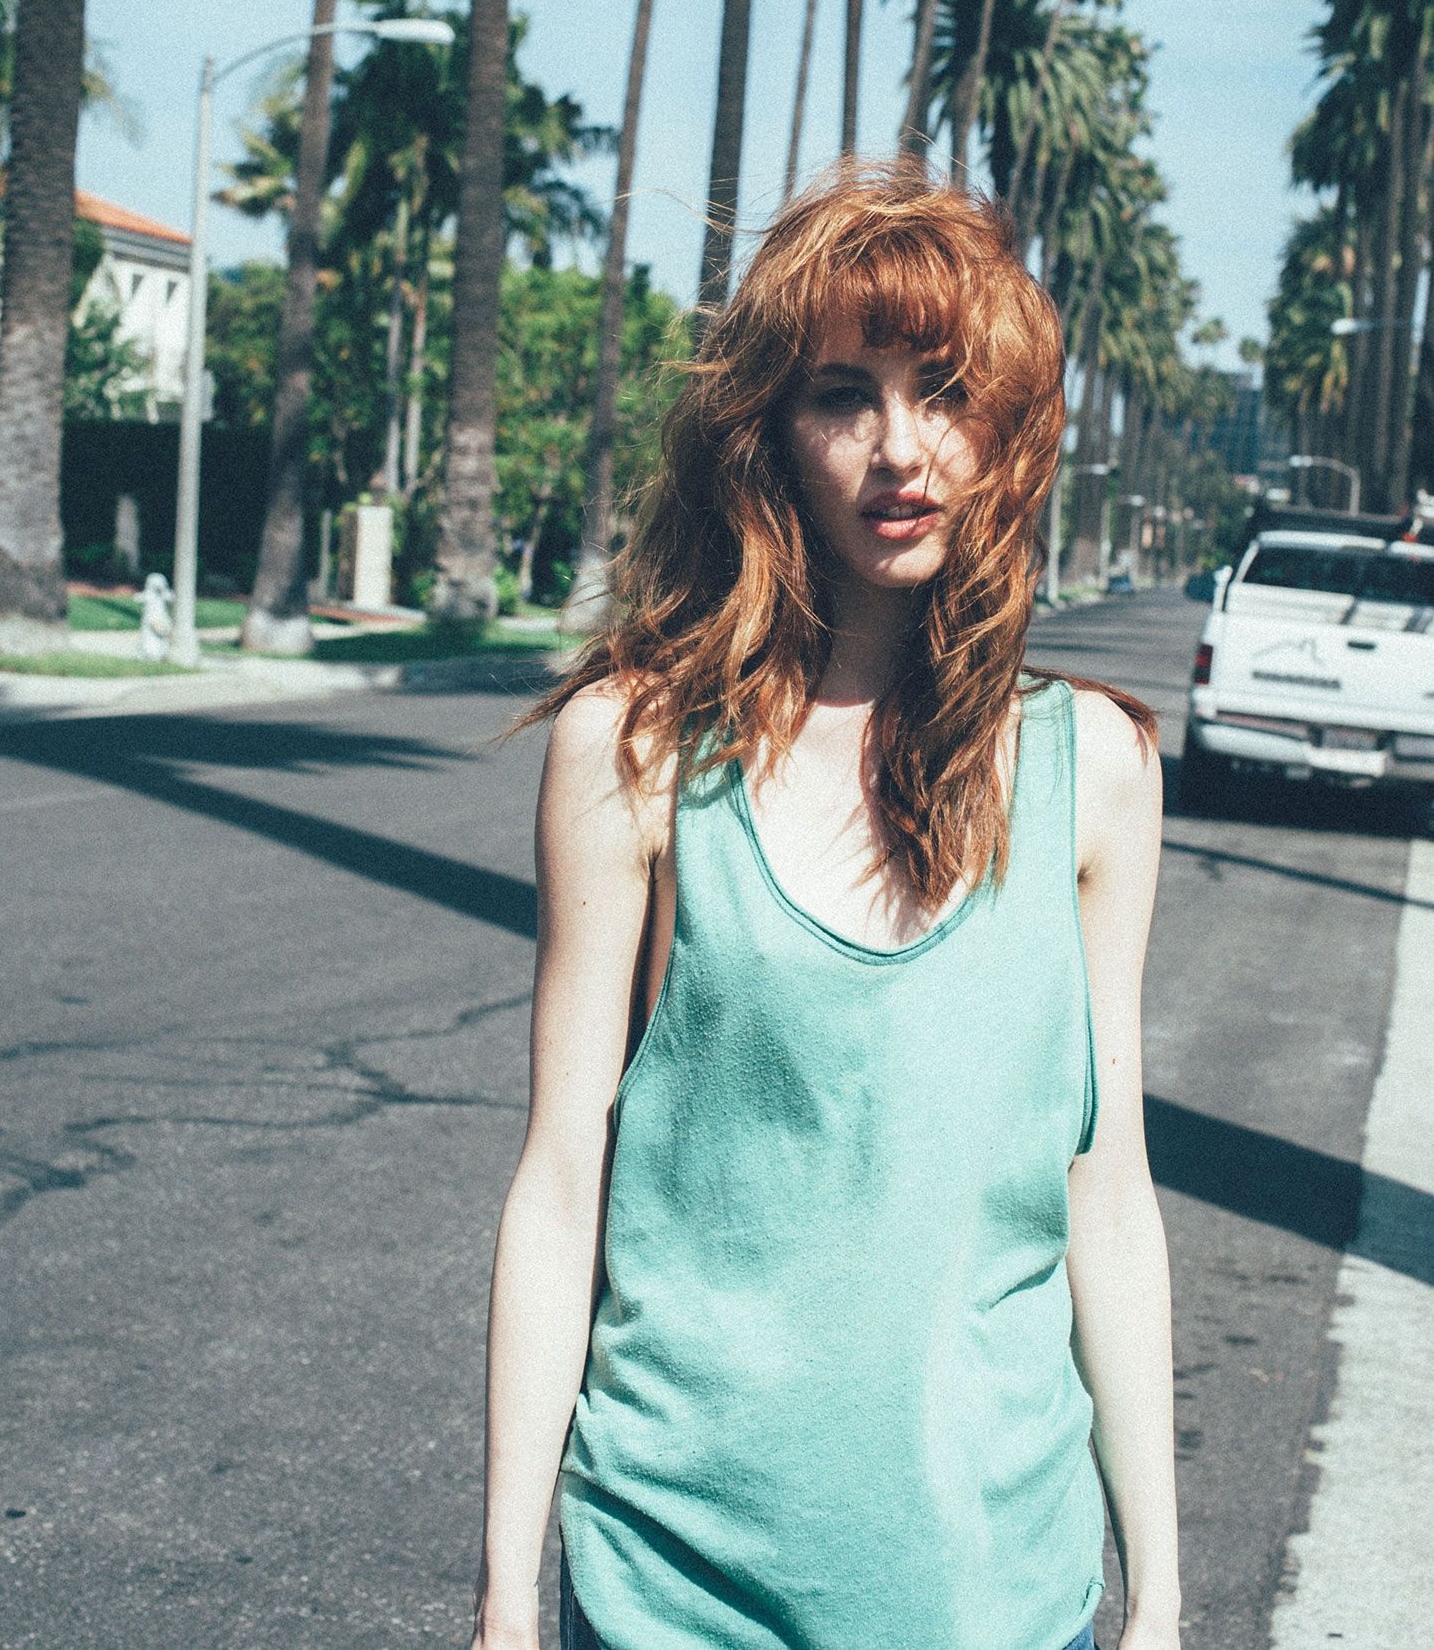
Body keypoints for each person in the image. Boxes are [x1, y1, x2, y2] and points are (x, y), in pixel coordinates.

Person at [470, 163, 1180, 1650]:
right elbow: (559, 1184)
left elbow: (1105, 1191)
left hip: (1000, 1592)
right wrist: (504, 1599)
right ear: (771, 436)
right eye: (844, 396)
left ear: (1005, 433)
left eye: (945, 392)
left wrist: (1160, 1597)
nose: (900, 448)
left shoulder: (1097, 773)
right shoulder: (635, 752)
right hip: (673, 1586)